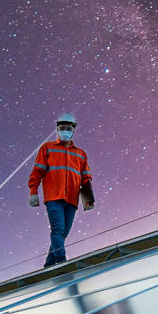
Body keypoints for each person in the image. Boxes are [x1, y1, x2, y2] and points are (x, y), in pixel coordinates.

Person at [28, 112, 95, 268]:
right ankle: (62, 261)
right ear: (57, 130)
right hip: (53, 197)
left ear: (73, 130)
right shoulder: (47, 148)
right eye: (62, 128)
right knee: (58, 229)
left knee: (63, 233)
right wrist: (33, 193)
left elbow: (85, 178)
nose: (65, 131)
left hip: (72, 199)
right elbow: (37, 171)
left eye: (68, 128)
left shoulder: (80, 154)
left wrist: (88, 199)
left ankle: (49, 264)